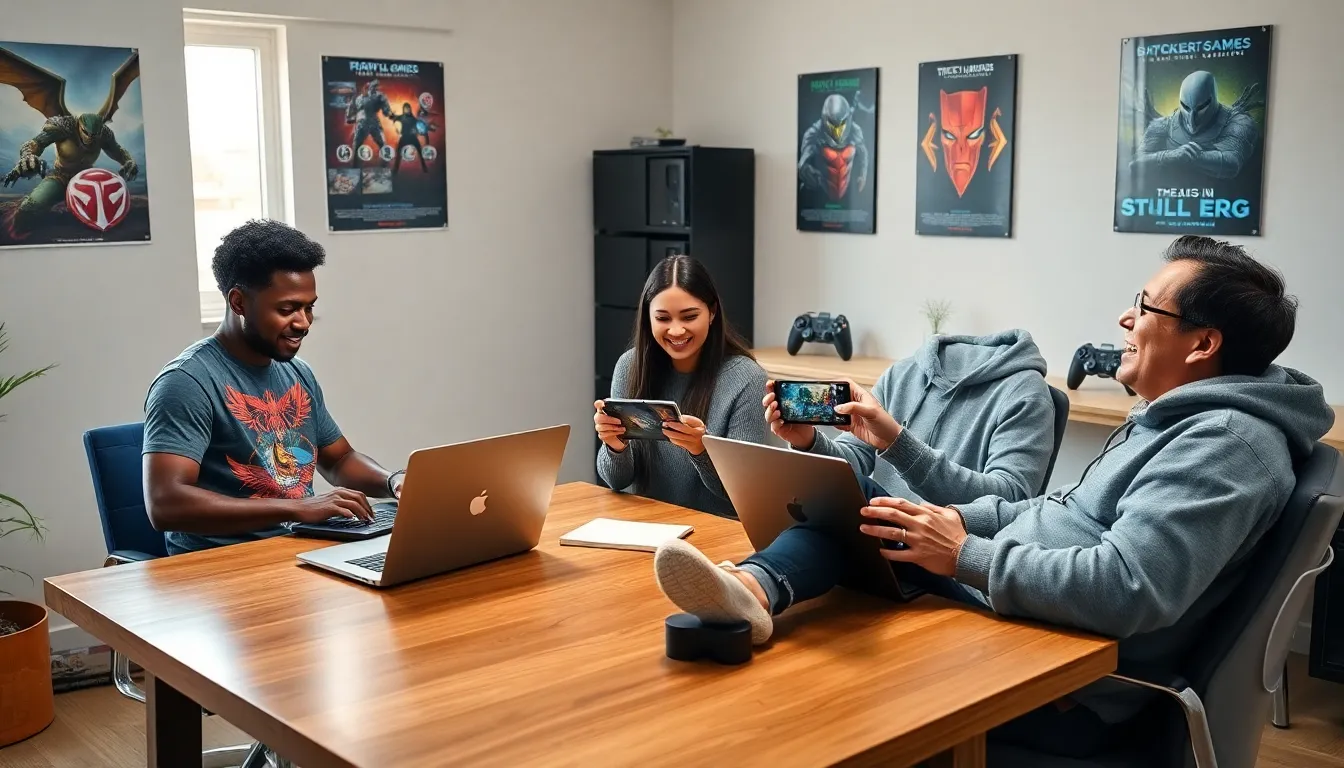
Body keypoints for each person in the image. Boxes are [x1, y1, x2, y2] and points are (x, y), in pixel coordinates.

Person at [652, 235, 1335, 756]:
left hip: (1073, 679)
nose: (1124, 321)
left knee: (829, 670)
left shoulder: (1224, 447)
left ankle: (753, 595)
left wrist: (966, 553)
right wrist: (948, 520)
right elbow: (1052, 510)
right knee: (866, 521)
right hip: (1034, 614)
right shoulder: (1179, 418)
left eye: (1144, 308)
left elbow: (1129, 587)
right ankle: (752, 591)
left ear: (1203, 343)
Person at [143, 219, 404, 555]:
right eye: (287, 309)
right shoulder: (186, 382)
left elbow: (340, 460)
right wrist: (297, 508)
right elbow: (166, 504)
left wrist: (393, 480)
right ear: (238, 303)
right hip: (218, 569)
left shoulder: (298, 374)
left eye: (309, 307)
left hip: (299, 553)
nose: (304, 323)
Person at [765, 329, 1056, 507]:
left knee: (830, 521)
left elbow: (1008, 500)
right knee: (814, 511)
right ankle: (752, 583)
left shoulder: (1025, 394)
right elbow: (855, 459)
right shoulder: (903, 374)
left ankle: (753, 583)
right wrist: (808, 442)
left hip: (950, 554)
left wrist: (898, 444)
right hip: (878, 535)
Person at [595, 254, 769, 517]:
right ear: (648, 318)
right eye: (663, 318)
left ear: (711, 312)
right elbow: (617, 482)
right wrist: (614, 445)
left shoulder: (747, 379)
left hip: (716, 533)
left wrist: (701, 450)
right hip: (646, 526)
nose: (676, 331)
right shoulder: (630, 367)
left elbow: (743, 493)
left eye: (689, 317)